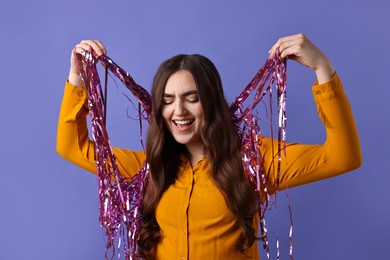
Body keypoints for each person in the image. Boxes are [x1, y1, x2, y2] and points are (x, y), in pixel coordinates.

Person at [56, 33, 362, 259]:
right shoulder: (148, 169)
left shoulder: (254, 160)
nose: (179, 111)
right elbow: (71, 146)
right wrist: (77, 77)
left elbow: (342, 157)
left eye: (192, 98)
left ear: (212, 102)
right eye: (167, 101)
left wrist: (323, 68)